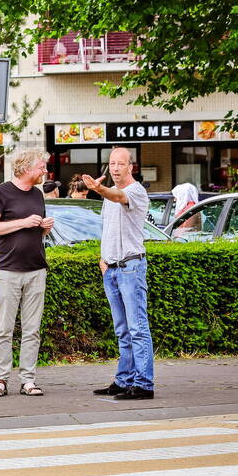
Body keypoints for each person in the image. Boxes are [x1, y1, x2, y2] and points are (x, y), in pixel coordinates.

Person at [82, 147, 154, 400]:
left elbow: (118, 196)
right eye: (112, 163)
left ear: (130, 167)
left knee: (137, 328)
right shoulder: (108, 196)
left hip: (131, 267)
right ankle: (124, 380)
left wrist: (99, 189)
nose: (115, 168)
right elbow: (109, 228)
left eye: (120, 164)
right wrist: (103, 259)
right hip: (112, 269)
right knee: (122, 329)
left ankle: (144, 384)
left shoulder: (135, 191)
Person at [0, 149, 55, 398]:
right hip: (7, 269)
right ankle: (0, 379)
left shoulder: (37, 194)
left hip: (36, 268)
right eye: (41, 167)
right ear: (26, 168)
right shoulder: (0, 192)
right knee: (4, 328)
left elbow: (35, 233)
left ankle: (28, 380)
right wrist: (24, 222)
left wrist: (43, 228)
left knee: (32, 329)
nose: (44, 171)